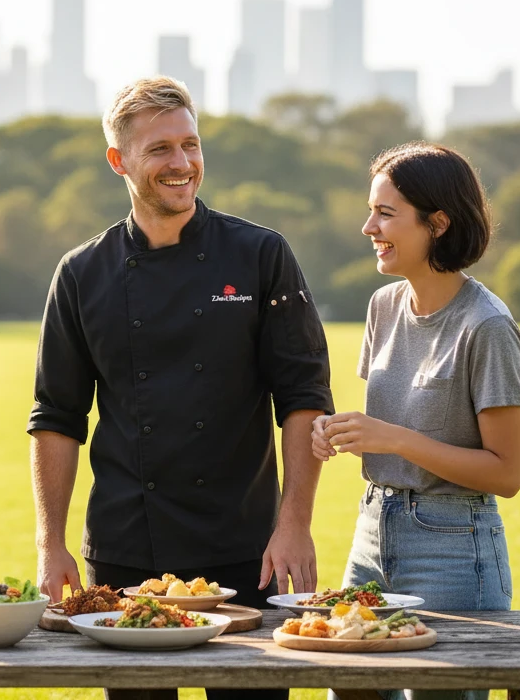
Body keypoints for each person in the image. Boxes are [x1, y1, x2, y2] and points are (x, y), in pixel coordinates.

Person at [29, 77, 334, 700]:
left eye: (190, 145)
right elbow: (57, 416)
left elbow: (303, 396)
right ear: (119, 161)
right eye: (161, 149)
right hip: (124, 550)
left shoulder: (260, 254)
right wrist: (50, 542)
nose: (182, 164)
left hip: (248, 546)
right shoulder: (82, 272)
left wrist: (295, 523)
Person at [313, 142, 520, 700]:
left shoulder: (487, 327)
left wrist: (395, 439)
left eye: (385, 213)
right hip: (370, 537)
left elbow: (506, 474)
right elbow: (388, 425)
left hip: (453, 547)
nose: (368, 227)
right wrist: (339, 430)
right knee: (349, 688)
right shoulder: (383, 306)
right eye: (371, 210)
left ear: (438, 222)